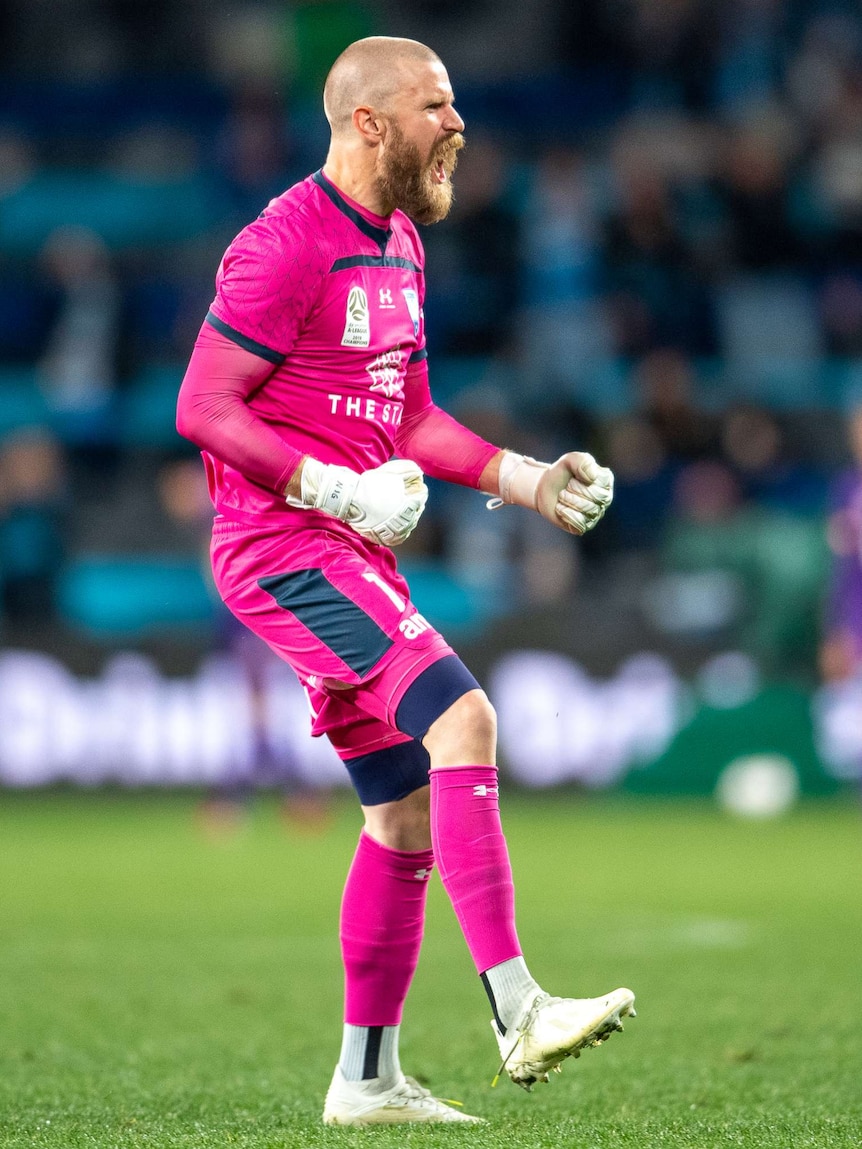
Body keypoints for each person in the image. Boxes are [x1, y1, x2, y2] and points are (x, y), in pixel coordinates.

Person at [177, 35, 634, 1126]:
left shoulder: (398, 245)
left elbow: (412, 413)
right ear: (368, 123)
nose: (457, 124)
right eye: (436, 105)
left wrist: (526, 479)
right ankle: (515, 1006)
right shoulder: (282, 244)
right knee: (462, 718)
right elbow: (202, 406)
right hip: (281, 550)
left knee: (404, 813)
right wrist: (329, 490)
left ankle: (366, 1079)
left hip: (344, 549)